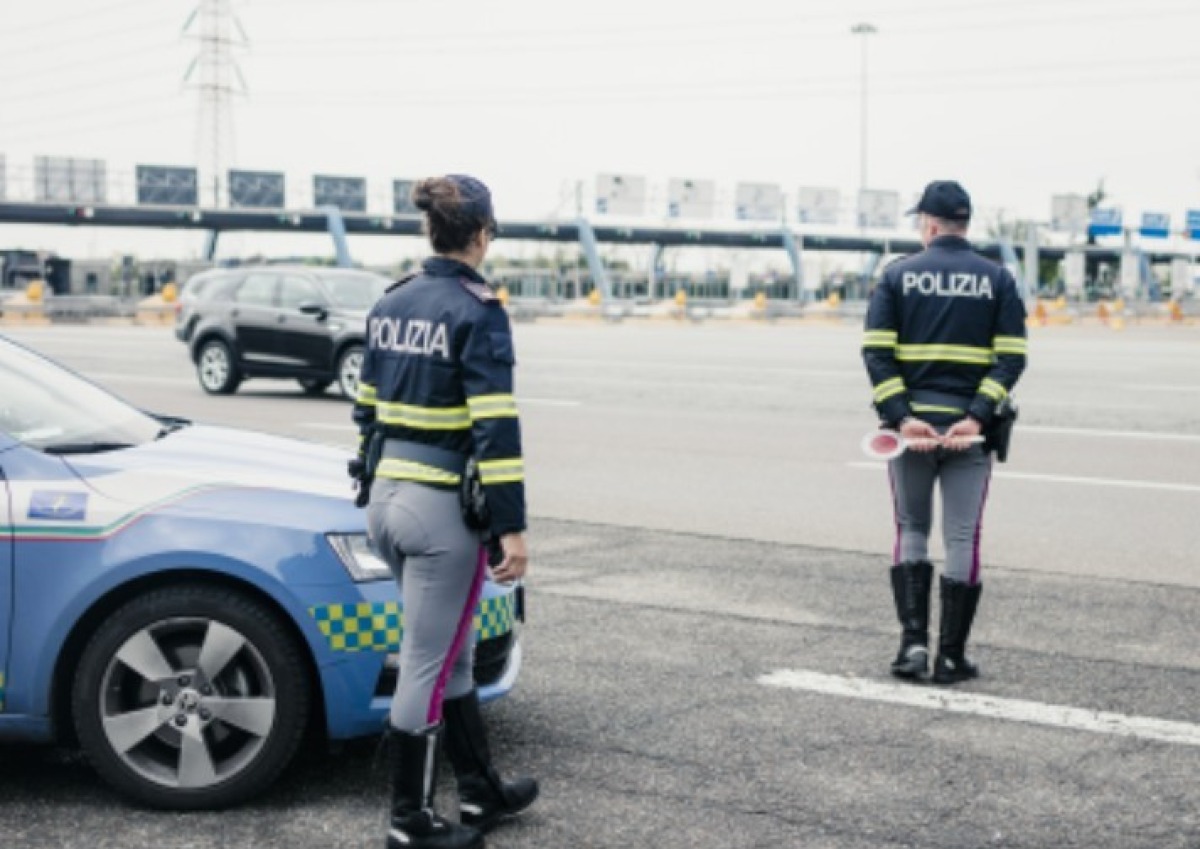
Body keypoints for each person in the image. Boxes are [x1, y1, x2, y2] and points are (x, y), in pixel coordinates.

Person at [350, 174, 538, 849]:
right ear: (483, 233)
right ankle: (410, 822)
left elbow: (365, 407)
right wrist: (511, 526)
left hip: (386, 500)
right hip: (439, 517)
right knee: (427, 661)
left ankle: (481, 789)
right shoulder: (476, 309)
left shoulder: (392, 299)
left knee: (446, 651)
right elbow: (495, 428)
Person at [861, 180, 1028, 685]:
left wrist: (902, 416)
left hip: (912, 434)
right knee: (962, 536)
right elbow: (1011, 358)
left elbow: (876, 352)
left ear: (930, 225)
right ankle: (950, 657)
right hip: (968, 436)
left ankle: (912, 647)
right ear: (964, 224)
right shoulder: (998, 279)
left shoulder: (897, 276)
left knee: (911, 529)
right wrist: (976, 416)